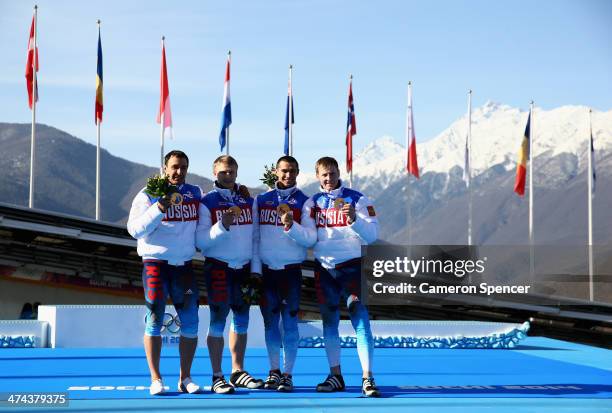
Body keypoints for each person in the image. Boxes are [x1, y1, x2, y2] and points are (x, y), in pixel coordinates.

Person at [286, 156, 381, 397]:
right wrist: (290, 227)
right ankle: (335, 375)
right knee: (330, 324)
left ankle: (368, 378)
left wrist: (354, 220)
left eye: (332, 173)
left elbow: (372, 236)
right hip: (325, 271)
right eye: (324, 175)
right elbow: (310, 239)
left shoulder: (358, 198)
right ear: (317, 176)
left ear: (339, 172)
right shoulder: (312, 203)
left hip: (352, 269)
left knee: (361, 322)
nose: (329, 179)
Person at [127, 150, 202, 396]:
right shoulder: (147, 193)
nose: (178, 172)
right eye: (174, 167)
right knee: (154, 321)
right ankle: (156, 378)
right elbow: (134, 230)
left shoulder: (195, 193)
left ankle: (185, 377)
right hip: (155, 266)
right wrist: (159, 207)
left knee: (191, 323)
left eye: (183, 167)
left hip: (185, 269)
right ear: (164, 167)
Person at [196, 155, 263, 394]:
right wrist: (222, 225)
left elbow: (255, 237)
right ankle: (217, 375)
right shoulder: (207, 202)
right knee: (218, 321)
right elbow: (201, 242)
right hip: (219, 268)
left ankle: (238, 370)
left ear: (237, 172)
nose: (227, 175)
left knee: (242, 320)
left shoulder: (247, 199)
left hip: (244, 269)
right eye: (223, 172)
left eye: (231, 172)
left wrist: (255, 269)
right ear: (215, 172)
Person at [251, 155, 310, 392]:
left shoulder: (305, 201)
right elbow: (255, 236)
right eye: (284, 171)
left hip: (291, 272)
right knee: (270, 324)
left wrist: (291, 225)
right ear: (276, 172)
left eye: (293, 171)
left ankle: (288, 374)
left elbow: (309, 238)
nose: (288, 175)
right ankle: (273, 371)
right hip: (267, 272)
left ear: (298, 172)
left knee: (290, 324)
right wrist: (255, 270)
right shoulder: (262, 199)